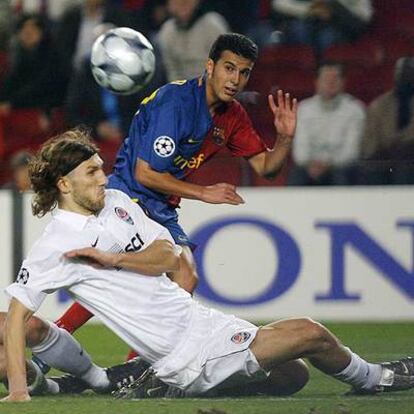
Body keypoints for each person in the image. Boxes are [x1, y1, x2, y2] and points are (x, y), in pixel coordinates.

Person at [3, 130, 414, 403]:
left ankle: (173, 390)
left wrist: (115, 259)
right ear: (64, 184)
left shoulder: (117, 204)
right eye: (92, 171)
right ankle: (375, 378)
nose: (104, 178)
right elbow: (17, 316)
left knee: (294, 376)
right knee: (309, 331)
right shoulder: (56, 243)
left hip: (203, 323)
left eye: (102, 167)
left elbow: (171, 256)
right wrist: (20, 390)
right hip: (186, 353)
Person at [54, 33, 298, 342]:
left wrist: (285, 139)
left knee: (157, 278)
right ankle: (66, 348)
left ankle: (121, 363)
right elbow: (145, 174)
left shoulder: (233, 115)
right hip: (128, 195)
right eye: (229, 68)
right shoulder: (176, 103)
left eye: (244, 72)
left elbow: (267, 167)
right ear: (210, 67)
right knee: (178, 274)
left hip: (161, 207)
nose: (235, 79)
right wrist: (204, 192)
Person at [288, 61, 365, 186]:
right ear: (317, 82)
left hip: (341, 166)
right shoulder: (303, 108)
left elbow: (351, 150)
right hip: (309, 166)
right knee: (297, 175)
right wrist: (311, 163)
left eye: (335, 78)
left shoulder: (355, 109)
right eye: (326, 78)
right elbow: (300, 149)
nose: (330, 82)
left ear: (343, 82)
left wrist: (328, 164)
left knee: (342, 174)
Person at [360, 56, 414, 185]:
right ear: (396, 75)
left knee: (405, 168)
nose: (407, 77)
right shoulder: (380, 105)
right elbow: (370, 140)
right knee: (370, 169)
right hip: (384, 158)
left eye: (410, 73)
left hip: (410, 157)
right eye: (403, 73)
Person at [157, 0, 229, 82]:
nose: (181, 4)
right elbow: (172, 71)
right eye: (176, 2)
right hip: (184, 89)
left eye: (186, 1)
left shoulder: (212, 24)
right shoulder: (166, 31)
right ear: (168, 5)